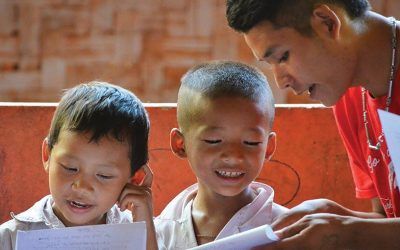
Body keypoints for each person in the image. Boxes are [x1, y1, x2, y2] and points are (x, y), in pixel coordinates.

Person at [226, 0, 400, 249]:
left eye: (283, 57)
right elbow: (387, 221)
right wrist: (333, 214)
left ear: (327, 23)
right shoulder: (348, 94)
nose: (281, 82)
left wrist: (350, 232)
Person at [0, 82, 157, 250]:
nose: (82, 187)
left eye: (103, 175)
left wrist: (144, 229)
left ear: (134, 179)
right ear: (47, 155)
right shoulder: (11, 238)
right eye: (70, 168)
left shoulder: (138, 232)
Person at [154, 60, 288, 249]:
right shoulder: (159, 233)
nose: (234, 156)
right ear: (180, 144)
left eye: (251, 143)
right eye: (213, 141)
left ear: (268, 147)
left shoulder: (288, 231)